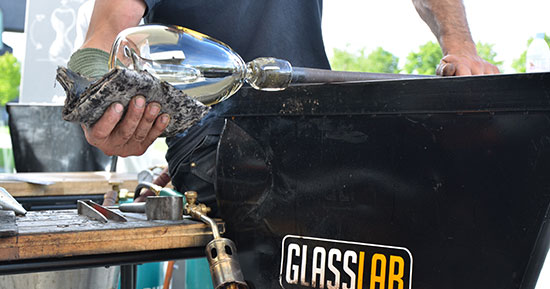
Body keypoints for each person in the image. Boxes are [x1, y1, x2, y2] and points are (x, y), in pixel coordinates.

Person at [68, 0, 499, 212]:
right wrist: (95, 107)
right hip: (215, 133)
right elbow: (106, 32)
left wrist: (459, 45)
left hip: (320, 117)